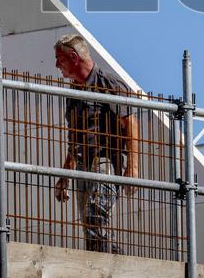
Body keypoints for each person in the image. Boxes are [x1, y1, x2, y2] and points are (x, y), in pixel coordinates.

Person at [52, 34, 139, 254]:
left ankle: (111, 264)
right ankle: (110, 262)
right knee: (91, 227)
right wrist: (66, 172)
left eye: (59, 59)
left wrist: (133, 167)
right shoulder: (73, 91)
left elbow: (131, 123)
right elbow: (75, 137)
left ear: (73, 57)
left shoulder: (109, 84)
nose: (56, 65)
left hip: (105, 163)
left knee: (95, 216)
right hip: (82, 166)